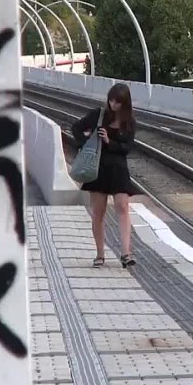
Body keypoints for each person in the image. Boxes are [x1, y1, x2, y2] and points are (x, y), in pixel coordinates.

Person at [71, 83, 140, 268]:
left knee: (122, 206)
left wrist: (109, 141)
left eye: (117, 102)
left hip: (118, 170)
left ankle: (126, 253)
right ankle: (100, 254)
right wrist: (89, 141)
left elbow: (126, 148)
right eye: (111, 100)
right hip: (98, 169)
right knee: (98, 212)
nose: (113, 105)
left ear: (125, 103)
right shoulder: (99, 115)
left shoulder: (130, 122)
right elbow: (76, 128)